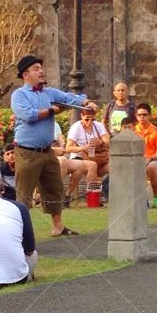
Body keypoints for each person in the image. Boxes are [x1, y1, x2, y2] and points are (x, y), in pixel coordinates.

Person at [10, 54, 97, 237]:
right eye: (36, 69)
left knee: (54, 188)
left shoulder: (49, 93)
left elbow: (69, 98)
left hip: (47, 152)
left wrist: (86, 103)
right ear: (25, 75)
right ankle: (19, 233)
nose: (41, 71)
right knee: (24, 194)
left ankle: (58, 227)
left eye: (41, 68)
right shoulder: (19, 95)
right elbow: (28, 115)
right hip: (27, 153)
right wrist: (52, 110)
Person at [66, 105, 110, 184]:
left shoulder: (98, 125)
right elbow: (68, 148)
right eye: (87, 119)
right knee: (92, 165)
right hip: (80, 158)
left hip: (98, 157)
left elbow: (107, 142)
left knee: (114, 165)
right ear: (81, 116)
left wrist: (100, 142)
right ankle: (91, 193)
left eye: (92, 119)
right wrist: (83, 148)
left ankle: (106, 191)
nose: (89, 122)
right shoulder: (76, 127)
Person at [134, 103, 157, 209]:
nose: (142, 117)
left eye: (144, 115)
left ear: (150, 116)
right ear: (136, 116)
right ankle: (143, 200)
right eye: (139, 115)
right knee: (138, 167)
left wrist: (150, 158)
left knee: (151, 168)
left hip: (154, 160)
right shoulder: (133, 131)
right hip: (138, 160)